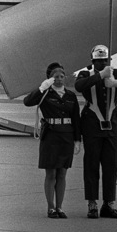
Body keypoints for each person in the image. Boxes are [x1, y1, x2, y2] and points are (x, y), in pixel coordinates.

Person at [75, 44, 117, 219]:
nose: (102, 63)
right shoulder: (86, 74)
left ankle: (109, 203)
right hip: (92, 127)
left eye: (104, 61)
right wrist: (100, 76)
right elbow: (79, 86)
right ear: (92, 61)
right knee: (91, 167)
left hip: (110, 127)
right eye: (98, 61)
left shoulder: (113, 72)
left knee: (111, 167)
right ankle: (92, 203)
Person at [24, 62, 81, 218]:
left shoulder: (70, 96)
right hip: (51, 136)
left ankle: (60, 207)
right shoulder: (45, 94)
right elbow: (27, 101)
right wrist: (42, 88)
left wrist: (77, 140)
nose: (59, 79)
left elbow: (76, 118)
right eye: (56, 77)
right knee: (51, 174)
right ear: (50, 78)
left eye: (62, 76)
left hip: (67, 136)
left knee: (62, 173)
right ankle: (51, 207)